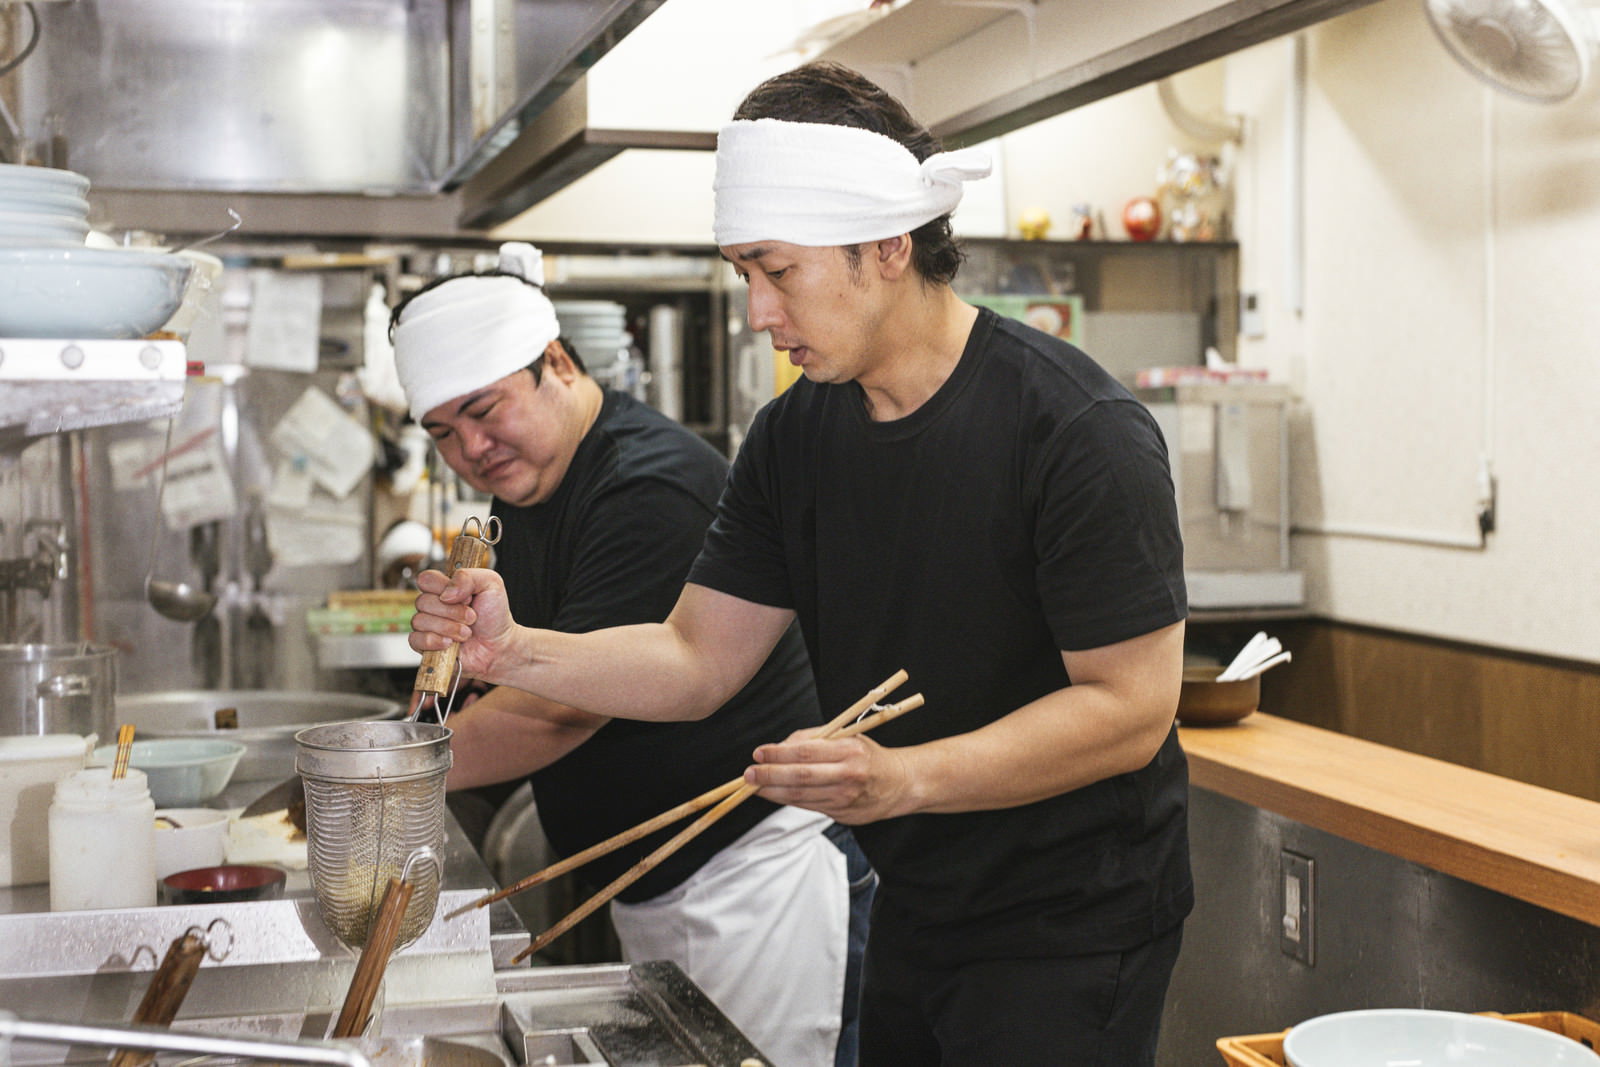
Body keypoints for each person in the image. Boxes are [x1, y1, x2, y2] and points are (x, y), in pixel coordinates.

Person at [410, 63, 1191, 1066]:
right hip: (918, 886)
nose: (756, 313)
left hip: (1071, 917)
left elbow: (1130, 706)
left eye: (776, 271)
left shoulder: (1075, 430)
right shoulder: (797, 434)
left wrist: (904, 776)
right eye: (744, 274)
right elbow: (696, 660)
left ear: (888, 244)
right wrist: (516, 649)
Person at [389, 242, 871, 1067]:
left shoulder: (646, 487)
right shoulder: (532, 490)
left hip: (756, 878)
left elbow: (557, 711)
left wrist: (376, 776)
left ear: (558, 362)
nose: (469, 447)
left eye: (484, 409)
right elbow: (513, 671)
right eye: (443, 431)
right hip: (663, 883)